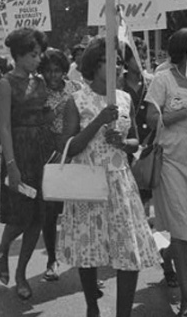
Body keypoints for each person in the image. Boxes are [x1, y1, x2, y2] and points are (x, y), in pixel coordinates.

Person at [58, 37, 160, 317]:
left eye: (118, 60)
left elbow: (135, 142)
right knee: (88, 248)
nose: (117, 65)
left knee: (129, 252)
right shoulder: (76, 101)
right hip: (88, 182)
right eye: (109, 60)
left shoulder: (125, 97)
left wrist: (121, 142)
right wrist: (99, 122)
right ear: (94, 64)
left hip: (120, 182)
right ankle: (92, 306)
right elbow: (68, 148)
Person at [145, 29, 187, 313]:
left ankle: (167, 254)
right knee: (182, 228)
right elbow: (151, 120)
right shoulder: (163, 80)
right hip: (171, 162)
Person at [0, 27, 52, 300]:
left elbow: (48, 114)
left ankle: (21, 273)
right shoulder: (5, 84)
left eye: (39, 54)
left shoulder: (40, 82)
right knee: (20, 217)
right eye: (32, 54)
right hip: (19, 154)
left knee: (38, 217)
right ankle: (3, 247)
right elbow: (4, 128)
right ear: (17, 55)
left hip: (42, 155)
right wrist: (12, 165)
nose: (38, 59)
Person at [38, 48, 81, 282]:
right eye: (48, 71)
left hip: (75, 152)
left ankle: (81, 261)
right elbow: (39, 120)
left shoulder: (76, 89)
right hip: (50, 154)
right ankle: (51, 259)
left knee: (76, 209)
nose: (53, 76)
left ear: (65, 71)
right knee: (50, 211)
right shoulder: (38, 92)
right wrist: (57, 109)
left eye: (57, 71)